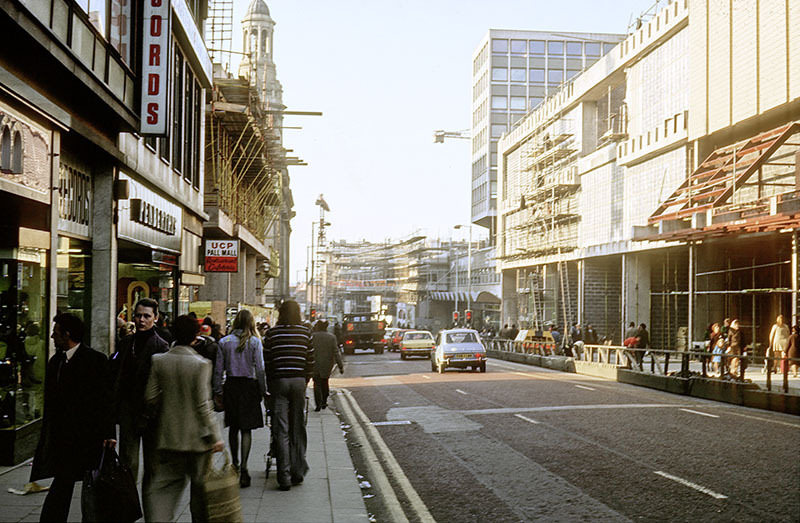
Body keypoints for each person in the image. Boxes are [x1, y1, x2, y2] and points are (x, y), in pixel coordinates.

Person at [31, 313, 115, 522]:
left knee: (92, 484)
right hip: (64, 438)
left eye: (56, 332)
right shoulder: (56, 362)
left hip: (89, 437)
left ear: (67, 335)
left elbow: (106, 400)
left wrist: (109, 433)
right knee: (62, 482)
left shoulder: (95, 360)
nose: (51, 336)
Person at [143, 315, 224, 522]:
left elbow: (150, 396)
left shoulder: (159, 360)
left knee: (163, 488)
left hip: (168, 436)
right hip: (198, 439)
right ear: (195, 337)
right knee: (199, 490)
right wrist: (216, 436)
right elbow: (203, 404)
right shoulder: (201, 364)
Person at [110, 298, 168, 486]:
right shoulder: (126, 343)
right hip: (129, 408)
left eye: (146, 316)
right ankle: (128, 502)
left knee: (152, 463)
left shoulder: (161, 346)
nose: (141, 320)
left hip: (151, 412)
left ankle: (151, 502)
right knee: (128, 461)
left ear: (155, 318)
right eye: (138, 315)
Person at [263, 300, 315, 491]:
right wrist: (305, 380)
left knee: (281, 429)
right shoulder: (305, 332)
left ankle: (283, 476)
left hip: (279, 383)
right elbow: (311, 360)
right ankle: (297, 471)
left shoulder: (272, 333)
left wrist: (271, 385)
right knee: (297, 427)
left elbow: (267, 361)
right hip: (299, 382)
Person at [213, 309, 267, 488]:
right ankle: (245, 468)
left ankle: (234, 465)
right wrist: (263, 389)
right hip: (248, 387)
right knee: (247, 429)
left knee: (233, 428)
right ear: (251, 322)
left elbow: (219, 370)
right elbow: (260, 369)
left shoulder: (224, 342)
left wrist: (217, 391)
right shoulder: (255, 342)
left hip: (232, 387)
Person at [311, 320, 344, 411]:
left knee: (316, 384)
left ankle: (318, 404)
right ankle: (324, 401)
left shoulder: (312, 337)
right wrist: (340, 366)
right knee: (324, 382)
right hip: (327, 364)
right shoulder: (332, 337)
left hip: (315, 364)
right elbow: (336, 352)